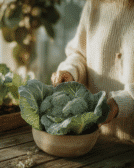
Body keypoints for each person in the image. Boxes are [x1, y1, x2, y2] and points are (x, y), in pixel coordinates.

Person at [51, 0, 134, 141]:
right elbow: (80, 54)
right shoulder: (94, 4)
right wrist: (71, 71)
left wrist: (119, 104)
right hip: (95, 140)